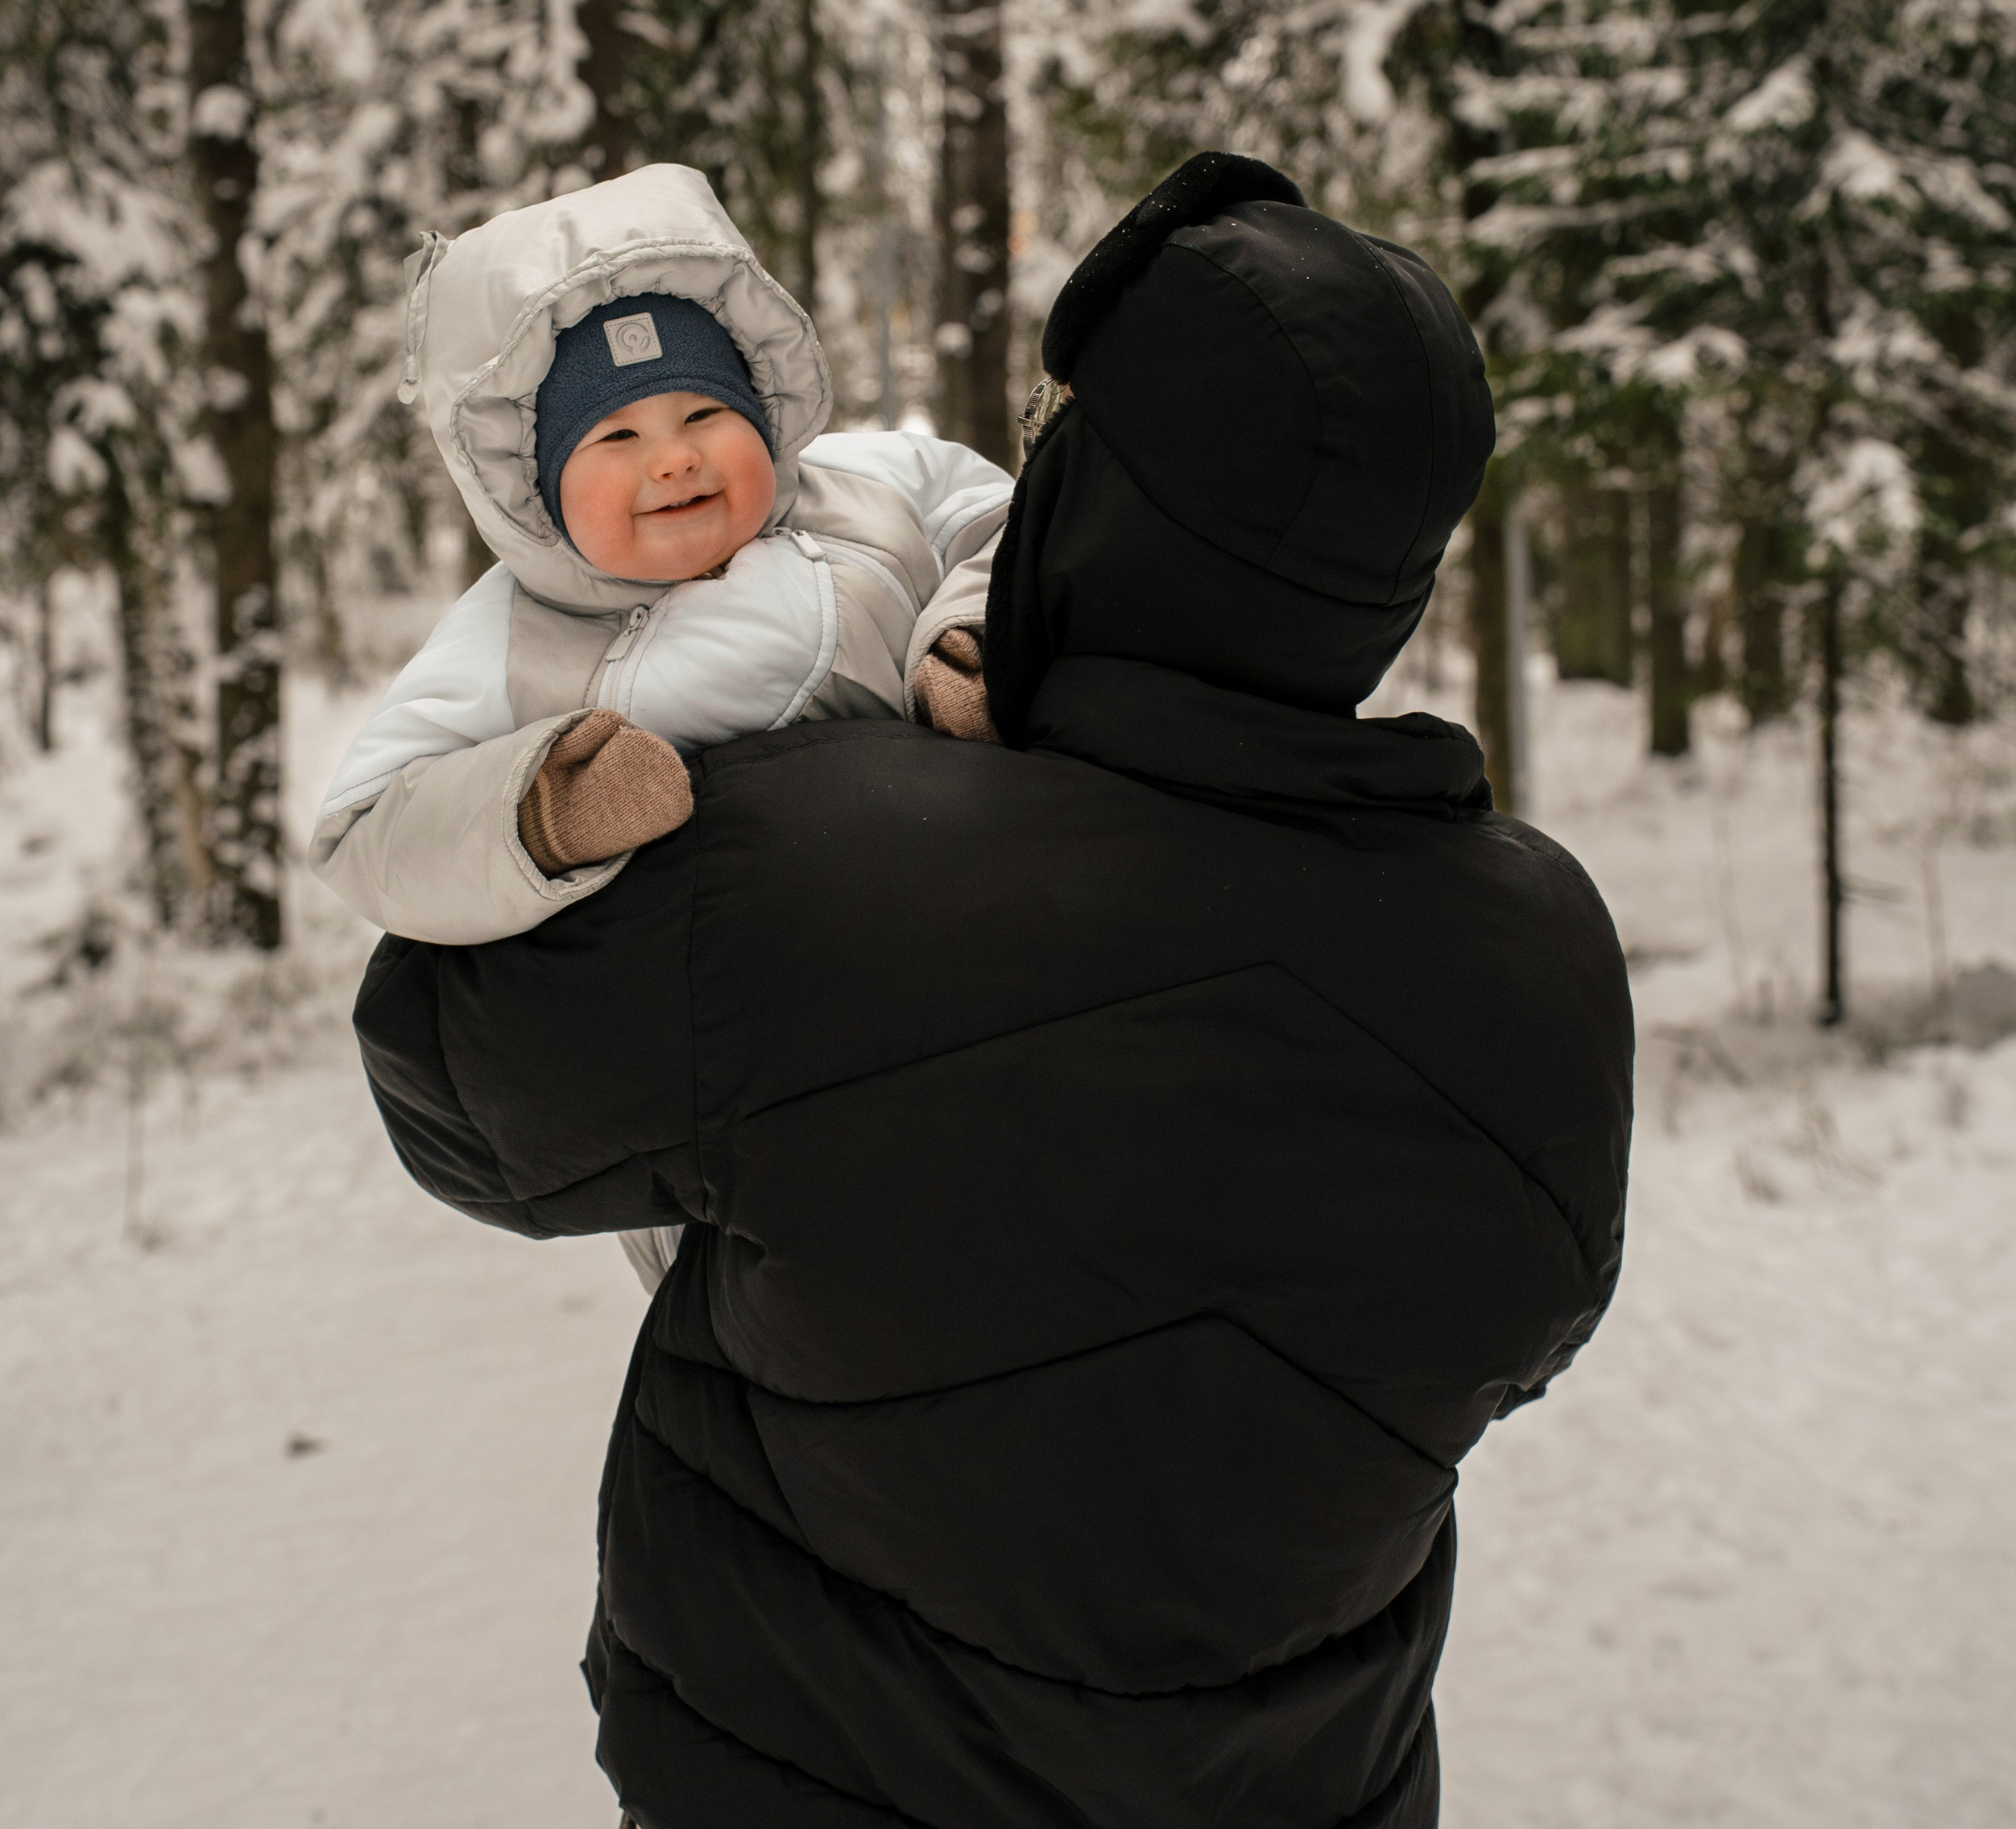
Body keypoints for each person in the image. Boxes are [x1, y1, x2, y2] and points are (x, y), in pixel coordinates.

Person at [356, 150, 1634, 1829]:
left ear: (1097, 499)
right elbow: (1512, 1334)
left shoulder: (804, 869)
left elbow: (446, 1091)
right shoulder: (1537, 963)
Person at [312, 159, 1011, 950]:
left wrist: (975, 639)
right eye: (616, 436)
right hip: (748, 977)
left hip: (969, 893)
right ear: (536, 487)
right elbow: (367, 831)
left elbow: (1003, 521)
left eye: (706, 412)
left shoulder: (869, 483)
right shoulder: (510, 636)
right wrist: (543, 810)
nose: (674, 459)